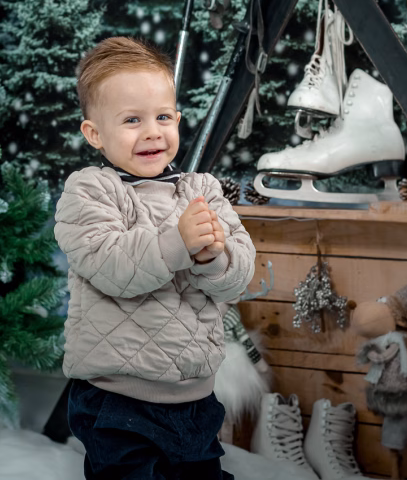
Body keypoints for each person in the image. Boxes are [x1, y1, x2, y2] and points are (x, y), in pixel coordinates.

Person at [54, 36, 256, 479]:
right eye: (131, 120)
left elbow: (238, 277)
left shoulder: (201, 191)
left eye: (163, 116)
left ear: (178, 120)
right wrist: (176, 243)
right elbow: (111, 267)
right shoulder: (91, 190)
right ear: (95, 134)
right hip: (118, 401)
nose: (152, 131)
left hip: (196, 398)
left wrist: (211, 258)